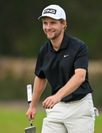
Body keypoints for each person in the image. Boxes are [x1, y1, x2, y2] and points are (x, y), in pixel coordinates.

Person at [26, 4, 97, 133]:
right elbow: (41, 77)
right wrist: (33, 106)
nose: (48, 27)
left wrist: (57, 96)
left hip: (79, 107)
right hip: (56, 108)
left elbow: (80, 76)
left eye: (53, 23)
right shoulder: (44, 50)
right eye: (45, 23)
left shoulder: (79, 47)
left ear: (63, 24)